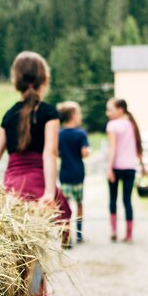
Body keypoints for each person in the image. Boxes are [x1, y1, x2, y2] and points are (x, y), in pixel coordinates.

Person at [0, 51, 71, 245]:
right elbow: (49, 153)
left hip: (12, 192)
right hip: (38, 187)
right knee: (57, 227)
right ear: (45, 79)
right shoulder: (49, 113)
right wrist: (49, 193)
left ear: (16, 81)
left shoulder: (9, 115)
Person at [105, 97, 146, 243]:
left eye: (110, 109)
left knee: (113, 200)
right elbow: (138, 147)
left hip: (116, 167)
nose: (107, 113)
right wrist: (143, 166)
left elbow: (113, 148)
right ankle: (129, 235)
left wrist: (109, 168)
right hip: (130, 168)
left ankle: (114, 231)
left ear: (120, 110)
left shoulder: (112, 125)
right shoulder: (132, 124)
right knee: (127, 201)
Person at [57, 101, 90, 243]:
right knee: (79, 203)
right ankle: (79, 235)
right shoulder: (80, 133)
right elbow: (84, 153)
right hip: (78, 174)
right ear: (72, 115)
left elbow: (57, 152)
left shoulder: (59, 134)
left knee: (66, 206)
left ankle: (66, 237)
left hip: (65, 174)